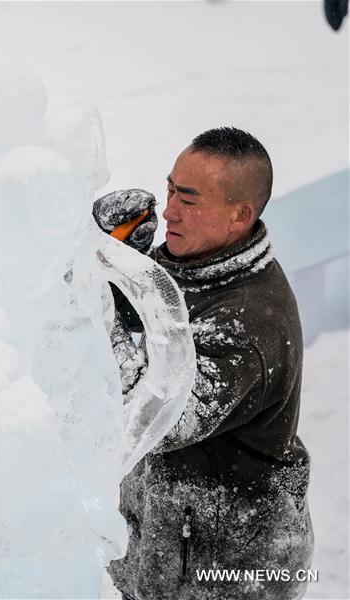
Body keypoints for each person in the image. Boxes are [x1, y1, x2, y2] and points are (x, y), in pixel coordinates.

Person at [94, 127, 314, 600]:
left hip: (233, 571)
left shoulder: (250, 324)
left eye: (188, 201)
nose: (168, 211)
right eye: (170, 188)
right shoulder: (193, 260)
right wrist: (111, 260)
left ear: (240, 215)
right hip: (160, 547)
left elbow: (155, 418)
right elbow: (141, 317)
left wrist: (101, 306)